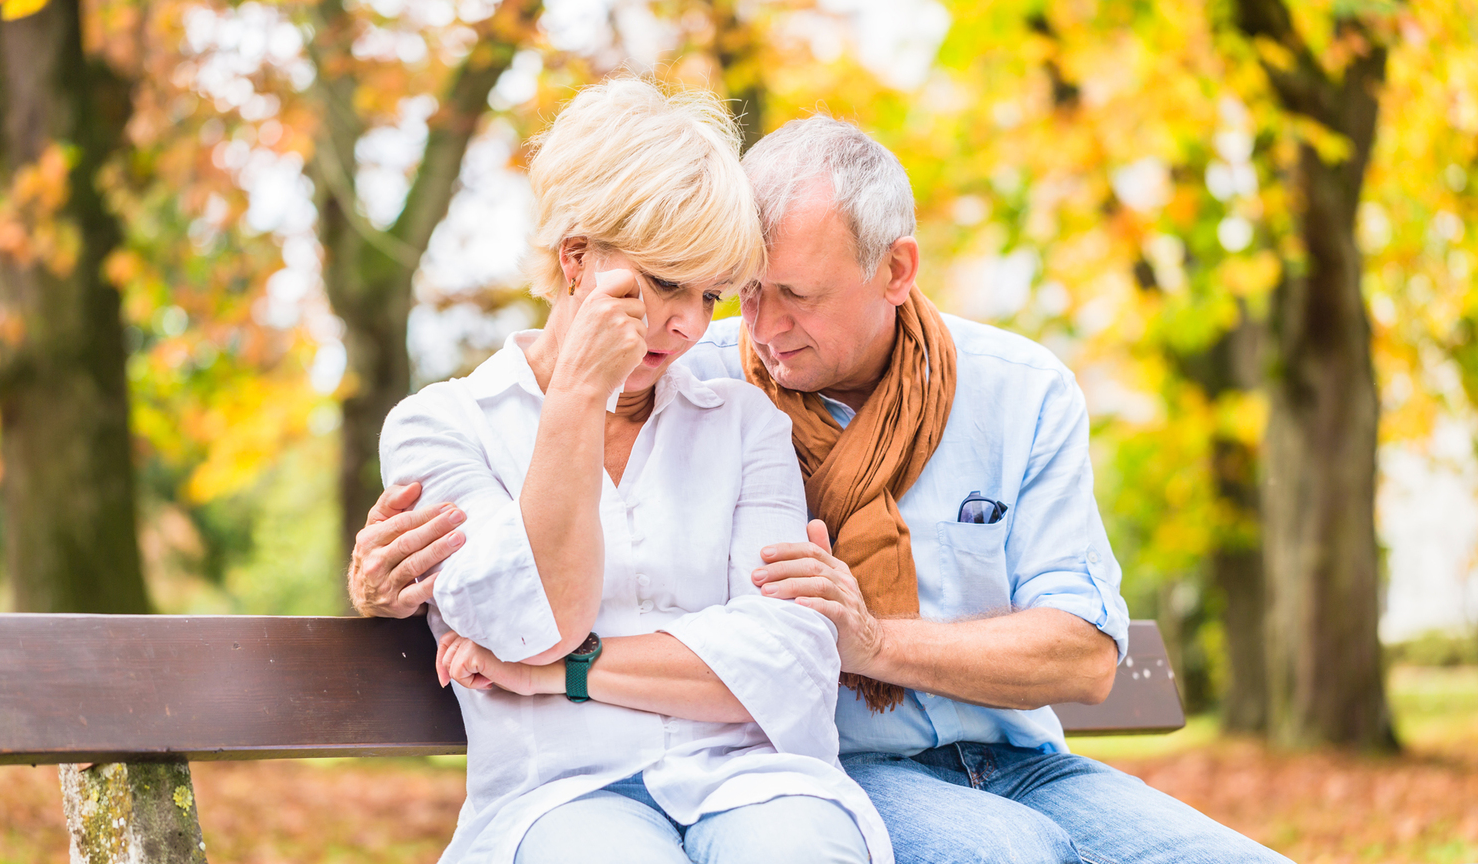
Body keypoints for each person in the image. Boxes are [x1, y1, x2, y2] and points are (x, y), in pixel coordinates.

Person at [356, 115, 1292, 862]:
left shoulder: (1015, 390)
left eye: (789, 295)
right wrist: (382, 582)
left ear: (896, 270)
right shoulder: (706, 368)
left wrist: (872, 640)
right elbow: (508, 543)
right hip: (854, 770)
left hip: (1021, 761)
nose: (751, 329)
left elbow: (1085, 655)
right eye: (744, 292)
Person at [375, 81, 889, 864]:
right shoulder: (443, 429)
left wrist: (565, 676)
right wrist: (578, 396)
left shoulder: (747, 425)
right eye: (663, 281)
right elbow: (536, 620)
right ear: (576, 259)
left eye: (708, 294)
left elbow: (785, 663)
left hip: (750, 782)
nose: (685, 322)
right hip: (559, 798)